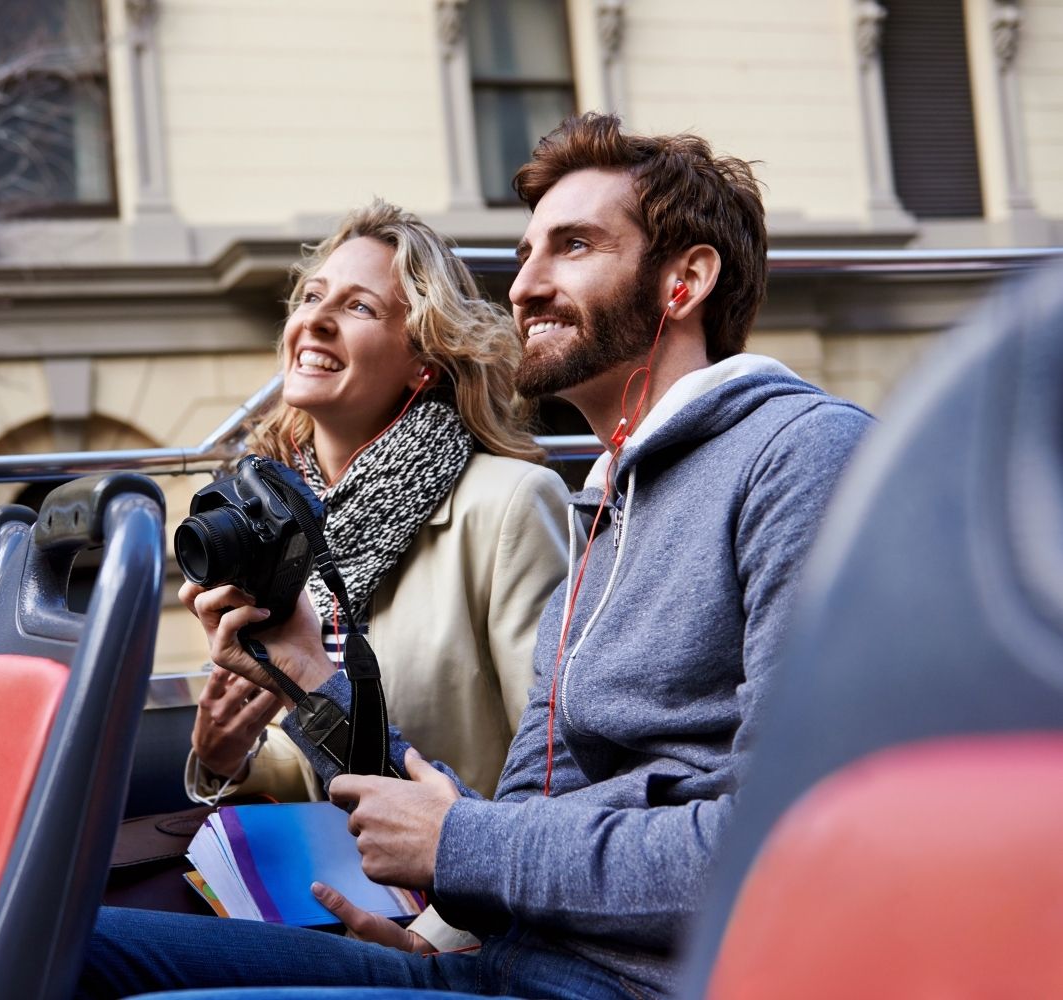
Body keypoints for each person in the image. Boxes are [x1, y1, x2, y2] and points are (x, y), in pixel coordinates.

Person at [81, 113, 873, 1000]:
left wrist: (459, 848)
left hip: (625, 984)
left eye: (572, 247)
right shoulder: (611, 505)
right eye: (526, 254)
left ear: (683, 281)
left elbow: (797, 838)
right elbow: (524, 824)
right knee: (62, 947)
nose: (525, 286)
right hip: (496, 960)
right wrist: (309, 669)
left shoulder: (801, 457)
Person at [182, 198, 571, 950]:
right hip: (323, 907)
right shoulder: (274, 523)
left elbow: (554, 784)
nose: (317, 320)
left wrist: (436, 938)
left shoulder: (509, 504)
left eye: (358, 306)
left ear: (425, 358)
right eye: (311, 297)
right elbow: (319, 775)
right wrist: (227, 758)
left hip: (466, 929)